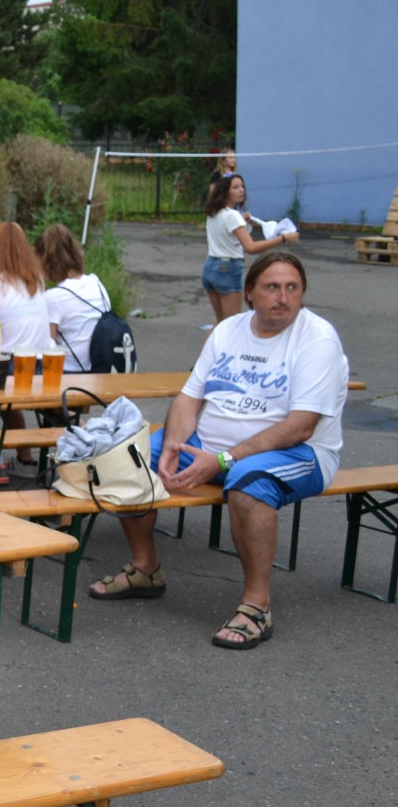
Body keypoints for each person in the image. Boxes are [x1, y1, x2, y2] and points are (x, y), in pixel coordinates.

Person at [84, 252, 346, 651]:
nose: (283, 297)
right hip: (209, 448)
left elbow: (300, 427)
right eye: (272, 287)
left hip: (300, 454)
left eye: (292, 288)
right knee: (129, 459)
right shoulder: (227, 330)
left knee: (247, 484)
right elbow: (189, 397)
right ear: (249, 293)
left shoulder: (317, 340)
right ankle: (145, 568)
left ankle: (257, 607)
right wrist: (173, 445)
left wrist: (223, 459)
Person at [0, 221, 53, 482]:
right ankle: (25, 459)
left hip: (10, 365)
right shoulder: (36, 281)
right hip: (42, 366)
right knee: (9, 406)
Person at [202, 173, 300, 323]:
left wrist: (244, 223)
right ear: (225, 191)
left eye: (242, 186)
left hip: (210, 267)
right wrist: (283, 238)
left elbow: (227, 234)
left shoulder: (214, 212)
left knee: (221, 324)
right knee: (231, 325)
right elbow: (251, 247)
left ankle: (208, 341)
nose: (241, 190)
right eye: (235, 187)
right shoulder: (233, 215)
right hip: (227, 269)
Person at [35, 224, 111, 375]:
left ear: (45, 260)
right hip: (103, 366)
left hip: (72, 372)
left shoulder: (53, 297)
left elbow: (47, 346)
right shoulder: (96, 282)